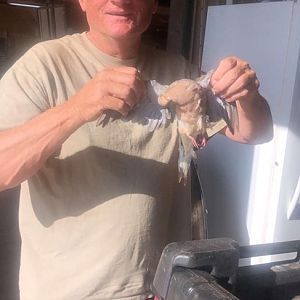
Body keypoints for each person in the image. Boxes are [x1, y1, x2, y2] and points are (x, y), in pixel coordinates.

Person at [0, 0, 273, 299]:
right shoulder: (44, 65)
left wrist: (247, 95)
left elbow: (253, 132)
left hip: (160, 288)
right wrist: (78, 108)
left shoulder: (177, 71)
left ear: (154, 3)